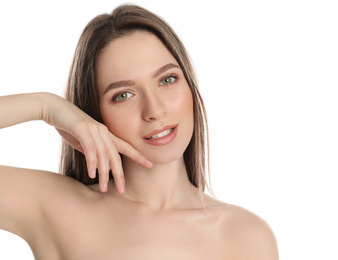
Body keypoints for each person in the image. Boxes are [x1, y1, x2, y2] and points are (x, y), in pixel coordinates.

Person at [0, 4, 278, 259]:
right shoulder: (56, 207)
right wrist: (44, 106)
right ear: (94, 114)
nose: (154, 110)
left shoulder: (246, 236)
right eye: (123, 95)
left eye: (167, 79)